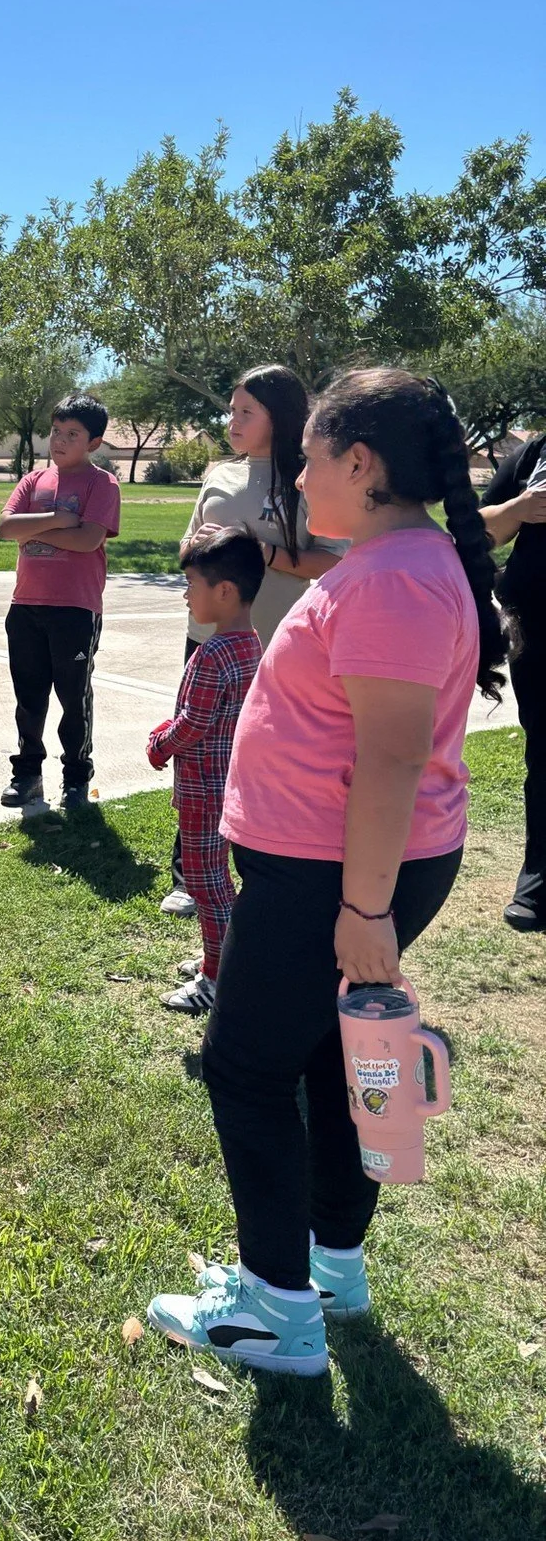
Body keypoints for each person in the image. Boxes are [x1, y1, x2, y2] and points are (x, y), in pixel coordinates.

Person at [146, 369, 506, 1376]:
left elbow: (390, 756)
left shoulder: (392, 577)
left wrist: (361, 909)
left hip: (332, 876)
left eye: (308, 457)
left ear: (361, 464)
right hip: (332, 869)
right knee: (321, 1062)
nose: (296, 476)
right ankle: (328, 1269)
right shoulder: (397, 559)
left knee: (243, 1070)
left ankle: (272, 1314)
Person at [160, 365, 342, 918]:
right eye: (232, 410)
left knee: (259, 757)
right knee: (197, 754)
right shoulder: (219, 473)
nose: (232, 421)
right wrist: (200, 552)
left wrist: (260, 553)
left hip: (274, 649)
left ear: (278, 418)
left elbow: (328, 560)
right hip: (206, 640)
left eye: (246, 412)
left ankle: (255, 868)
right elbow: (188, 547)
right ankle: (189, 873)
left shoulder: (308, 479)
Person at [146, 527, 263, 1015]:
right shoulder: (252, 643)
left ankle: (218, 976)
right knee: (217, 880)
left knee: (204, 882)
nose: (186, 596)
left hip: (202, 789)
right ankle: (223, 956)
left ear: (224, 591)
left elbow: (194, 723)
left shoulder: (213, 653)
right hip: (230, 788)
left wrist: (160, 744)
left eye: (191, 585)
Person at [0, 395, 121, 811]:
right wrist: (57, 520)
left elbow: (88, 540)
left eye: (73, 434)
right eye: (56, 431)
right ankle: (27, 774)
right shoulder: (33, 481)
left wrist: (33, 531)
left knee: (73, 698)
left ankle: (75, 778)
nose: (60, 441)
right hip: (26, 606)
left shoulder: (101, 484)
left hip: (75, 609)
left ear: (95, 442)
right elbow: (5, 527)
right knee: (29, 698)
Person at [480, 428, 546, 930]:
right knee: (543, 749)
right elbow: (478, 530)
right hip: (538, 627)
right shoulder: (535, 452)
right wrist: (521, 507)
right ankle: (539, 876)